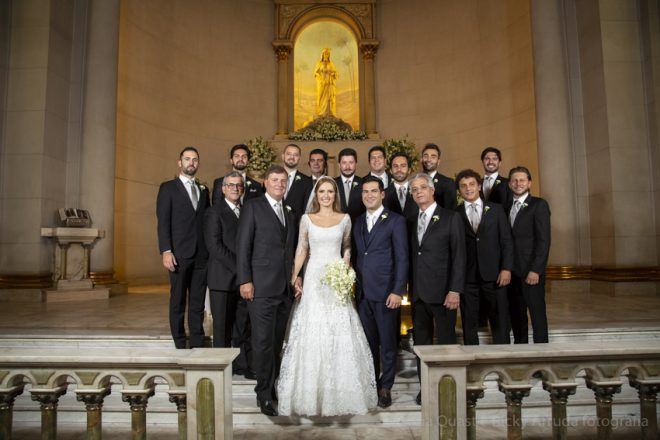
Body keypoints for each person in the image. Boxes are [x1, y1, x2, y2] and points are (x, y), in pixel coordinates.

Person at [277, 177, 377, 416]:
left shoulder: (345, 219)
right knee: (313, 328)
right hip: (314, 278)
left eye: (330, 191)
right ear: (316, 194)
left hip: (335, 278)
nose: (325, 195)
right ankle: (310, 394)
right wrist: (294, 278)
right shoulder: (306, 219)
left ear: (335, 195)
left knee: (338, 327)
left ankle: (341, 392)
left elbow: (347, 246)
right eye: (321, 191)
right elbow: (302, 249)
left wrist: (344, 269)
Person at [236, 165, 297, 417]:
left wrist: (295, 278)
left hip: (284, 289)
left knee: (275, 342)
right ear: (265, 182)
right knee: (262, 343)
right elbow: (243, 245)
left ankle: (273, 387)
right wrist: (245, 280)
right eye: (274, 180)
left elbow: (289, 250)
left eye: (283, 180)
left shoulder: (289, 211)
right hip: (260, 287)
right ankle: (263, 394)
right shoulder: (253, 207)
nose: (279, 184)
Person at [409, 173, 465, 405]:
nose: (418, 192)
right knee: (421, 346)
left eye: (423, 187)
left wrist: (455, 290)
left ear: (432, 190)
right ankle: (426, 389)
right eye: (414, 189)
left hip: (444, 294)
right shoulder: (412, 219)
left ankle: (447, 390)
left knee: (446, 344)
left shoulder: (451, 217)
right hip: (419, 294)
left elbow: (459, 256)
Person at [353, 176, 409, 408]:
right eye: (365, 191)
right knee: (368, 344)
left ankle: (386, 387)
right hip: (363, 294)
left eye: (373, 191)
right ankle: (372, 384)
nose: (369, 195)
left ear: (382, 194)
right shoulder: (357, 222)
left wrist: (397, 291)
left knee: (387, 344)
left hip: (387, 294)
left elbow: (402, 258)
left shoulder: (395, 221)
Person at [156, 146, 209, 349]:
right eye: (187, 159)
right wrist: (166, 250)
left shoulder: (203, 190)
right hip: (178, 254)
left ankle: (196, 340)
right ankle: (179, 341)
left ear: (198, 163)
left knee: (197, 301)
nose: (191, 163)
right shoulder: (168, 188)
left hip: (201, 255)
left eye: (195, 159)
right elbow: (163, 222)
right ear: (180, 162)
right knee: (178, 299)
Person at [203, 171, 254, 379]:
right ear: (223, 189)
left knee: (241, 325)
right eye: (231, 185)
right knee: (222, 327)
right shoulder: (214, 212)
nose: (235, 188)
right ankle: (221, 369)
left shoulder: (247, 211)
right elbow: (215, 246)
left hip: (242, 281)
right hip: (222, 280)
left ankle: (241, 364)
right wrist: (241, 269)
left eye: (239, 185)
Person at [455, 169, 513, 345]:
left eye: (472, 184)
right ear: (459, 190)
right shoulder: (455, 214)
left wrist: (506, 268)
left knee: (499, 318)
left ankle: (503, 355)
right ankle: (471, 356)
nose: (468, 188)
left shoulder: (496, 210)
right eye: (463, 186)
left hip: (494, 275)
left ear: (479, 186)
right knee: (469, 321)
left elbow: (506, 241)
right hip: (468, 277)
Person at [506, 166, 551, 344]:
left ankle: (542, 352)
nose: (518, 183)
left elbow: (544, 241)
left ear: (529, 183)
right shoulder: (505, 206)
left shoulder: (539, 205)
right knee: (517, 315)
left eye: (522, 180)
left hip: (531, 271)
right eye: (515, 180)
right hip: (512, 272)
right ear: (510, 184)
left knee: (537, 314)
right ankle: (521, 349)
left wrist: (536, 270)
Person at [383, 152, 419, 224]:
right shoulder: (383, 195)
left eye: (403, 166)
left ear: (409, 170)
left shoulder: (419, 192)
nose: (399, 169)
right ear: (390, 170)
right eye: (395, 166)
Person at [282, 143, 313, 225]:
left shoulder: (307, 182)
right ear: (283, 156)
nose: (292, 157)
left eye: (295, 155)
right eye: (289, 154)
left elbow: (307, 209)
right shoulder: (271, 178)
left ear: (299, 158)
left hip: (296, 227)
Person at [421, 143, 457, 209]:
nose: (429, 159)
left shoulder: (448, 183)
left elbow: (450, 211)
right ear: (421, 159)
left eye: (433, 157)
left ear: (438, 161)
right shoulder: (414, 182)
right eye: (426, 156)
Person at [334, 148, 365, 222]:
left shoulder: (363, 183)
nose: (347, 167)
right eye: (344, 163)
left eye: (351, 162)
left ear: (356, 164)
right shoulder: (332, 183)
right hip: (337, 225)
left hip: (359, 226)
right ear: (339, 164)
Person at [314, 48, 338, 118]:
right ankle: (321, 113)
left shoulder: (331, 64)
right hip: (322, 84)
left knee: (329, 98)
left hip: (329, 83)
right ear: (322, 54)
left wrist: (333, 74)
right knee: (321, 97)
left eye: (327, 54)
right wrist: (320, 78)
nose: (326, 55)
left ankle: (330, 113)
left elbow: (336, 73)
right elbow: (315, 73)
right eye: (325, 53)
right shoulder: (319, 64)